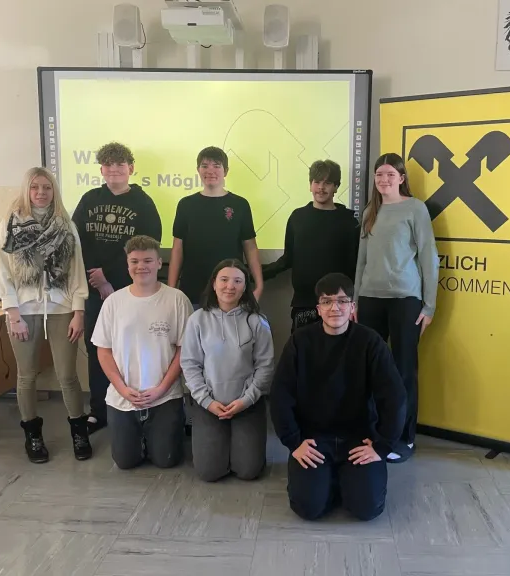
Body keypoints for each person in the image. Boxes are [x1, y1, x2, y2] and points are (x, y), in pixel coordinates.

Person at [270, 273, 406, 521]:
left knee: (367, 509)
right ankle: (329, 479)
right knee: (308, 508)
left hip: (359, 440)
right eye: (327, 301)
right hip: (313, 440)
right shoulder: (300, 342)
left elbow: (394, 396)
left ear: (352, 307)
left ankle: (341, 479)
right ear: (318, 309)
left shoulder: (370, 342)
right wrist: (293, 442)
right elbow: (281, 394)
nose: (335, 307)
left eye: (343, 301)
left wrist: (382, 445)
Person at [0, 167, 92, 463]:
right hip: (24, 311)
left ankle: (79, 432)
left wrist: (78, 313)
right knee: (26, 377)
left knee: (67, 375)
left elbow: (76, 273)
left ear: (54, 191)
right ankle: (33, 436)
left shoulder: (66, 225)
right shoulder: (9, 225)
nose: (41, 193)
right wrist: (13, 313)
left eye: (47, 187)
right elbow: (2, 272)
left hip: (61, 308)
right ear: (27, 189)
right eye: (35, 187)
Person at [353, 153, 439, 464]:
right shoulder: (370, 211)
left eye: (390, 174)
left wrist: (429, 305)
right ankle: (374, 432)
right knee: (370, 370)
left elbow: (429, 257)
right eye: (379, 174)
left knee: (403, 371)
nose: (384, 179)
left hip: (406, 300)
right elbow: (362, 259)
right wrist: (355, 299)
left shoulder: (415, 209)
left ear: (401, 178)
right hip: (370, 298)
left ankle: (404, 438)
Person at [72, 142, 162, 434]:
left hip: (129, 290)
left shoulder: (143, 203)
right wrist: (96, 280)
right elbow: (77, 242)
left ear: (130, 169)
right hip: (93, 290)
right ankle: (100, 411)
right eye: (108, 165)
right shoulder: (89, 200)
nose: (114, 170)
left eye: (120, 165)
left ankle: (135, 405)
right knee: (99, 349)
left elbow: (149, 245)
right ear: (102, 170)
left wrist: (110, 277)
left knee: (129, 349)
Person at [91, 235, 193, 470]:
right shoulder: (114, 302)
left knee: (166, 461)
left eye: (148, 261)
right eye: (134, 261)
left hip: (165, 396)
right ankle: (139, 436)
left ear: (159, 263)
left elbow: (183, 350)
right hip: (123, 398)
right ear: (127, 265)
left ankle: (161, 434)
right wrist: (122, 389)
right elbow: (103, 351)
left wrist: (161, 389)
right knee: (125, 462)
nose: (141, 267)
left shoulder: (177, 300)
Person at [181, 259, 274, 482]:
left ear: (245, 287)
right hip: (209, 404)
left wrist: (246, 400)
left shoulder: (257, 321)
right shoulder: (197, 320)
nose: (229, 286)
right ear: (214, 284)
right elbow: (190, 365)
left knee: (248, 471)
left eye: (237, 281)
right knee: (208, 472)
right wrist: (207, 401)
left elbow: (266, 366)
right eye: (224, 279)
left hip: (247, 404)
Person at [263, 159, 360, 331]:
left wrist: (353, 300)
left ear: (336, 187)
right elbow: (287, 259)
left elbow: (355, 265)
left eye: (327, 183)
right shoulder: (297, 218)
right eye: (317, 182)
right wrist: (255, 274)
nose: (321, 188)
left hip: (338, 304)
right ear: (310, 185)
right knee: (302, 354)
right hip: (304, 303)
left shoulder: (349, 221)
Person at [168, 146, 263, 306]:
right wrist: (171, 289)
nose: (210, 171)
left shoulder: (240, 205)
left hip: (230, 291)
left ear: (225, 171)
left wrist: (259, 286)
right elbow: (177, 249)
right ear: (198, 170)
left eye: (216, 166)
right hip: (193, 290)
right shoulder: (186, 205)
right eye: (205, 166)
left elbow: (250, 247)